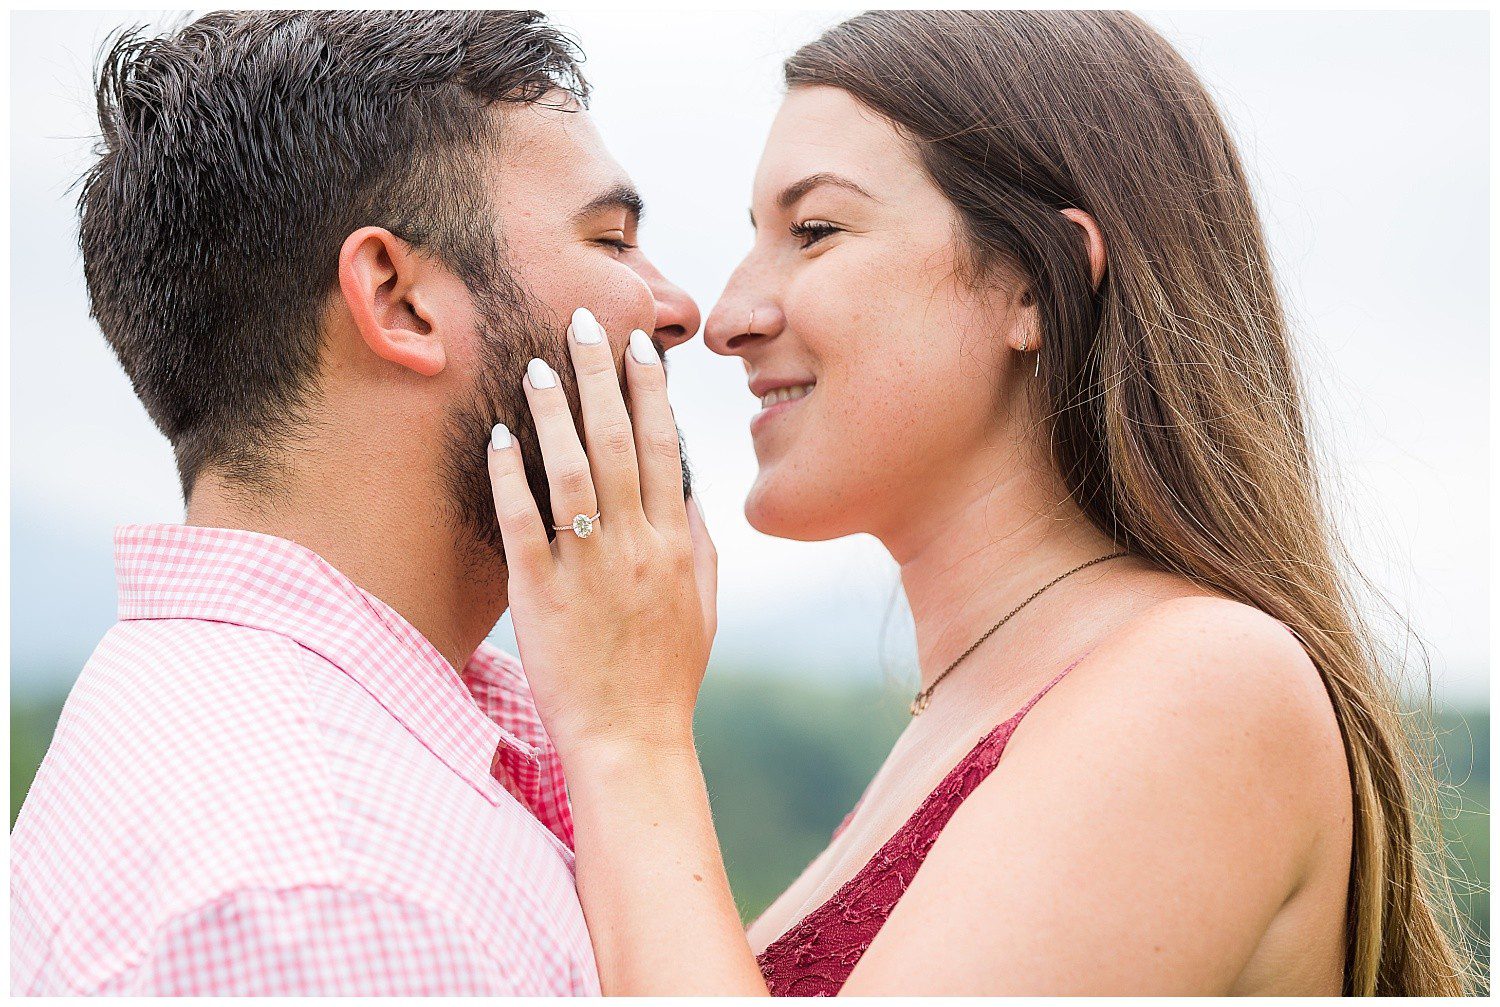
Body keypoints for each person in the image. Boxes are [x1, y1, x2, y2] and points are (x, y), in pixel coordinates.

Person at [485, 10, 1478, 996]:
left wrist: (631, 735)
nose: (730, 316)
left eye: (815, 231)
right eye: (756, 237)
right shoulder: (971, 713)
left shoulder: (1204, 683)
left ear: (1033, 285)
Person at [10, 10, 700, 995]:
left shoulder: (223, 716)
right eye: (614, 239)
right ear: (398, 297)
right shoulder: (335, 886)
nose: (677, 307)